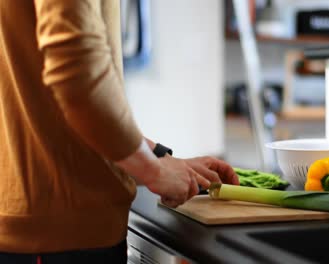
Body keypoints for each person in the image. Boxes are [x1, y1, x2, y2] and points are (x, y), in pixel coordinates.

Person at [0, 1, 239, 263]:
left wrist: (157, 156)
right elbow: (76, 75)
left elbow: (48, 103)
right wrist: (153, 171)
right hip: (60, 235)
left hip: (45, 224)